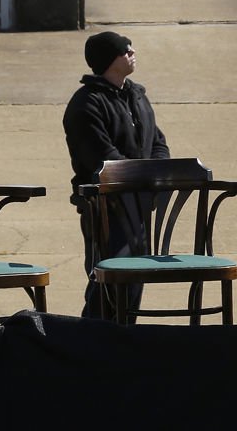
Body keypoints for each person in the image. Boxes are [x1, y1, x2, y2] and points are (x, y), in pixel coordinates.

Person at [62, 31, 170, 318]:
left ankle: (123, 343)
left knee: (134, 281)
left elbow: (157, 142)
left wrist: (156, 175)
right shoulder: (86, 104)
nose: (133, 52)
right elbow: (103, 160)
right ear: (110, 60)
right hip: (106, 208)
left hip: (140, 204)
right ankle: (92, 342)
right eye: (125, 50)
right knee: (109, 279)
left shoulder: (137, 96)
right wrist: (144, 179)